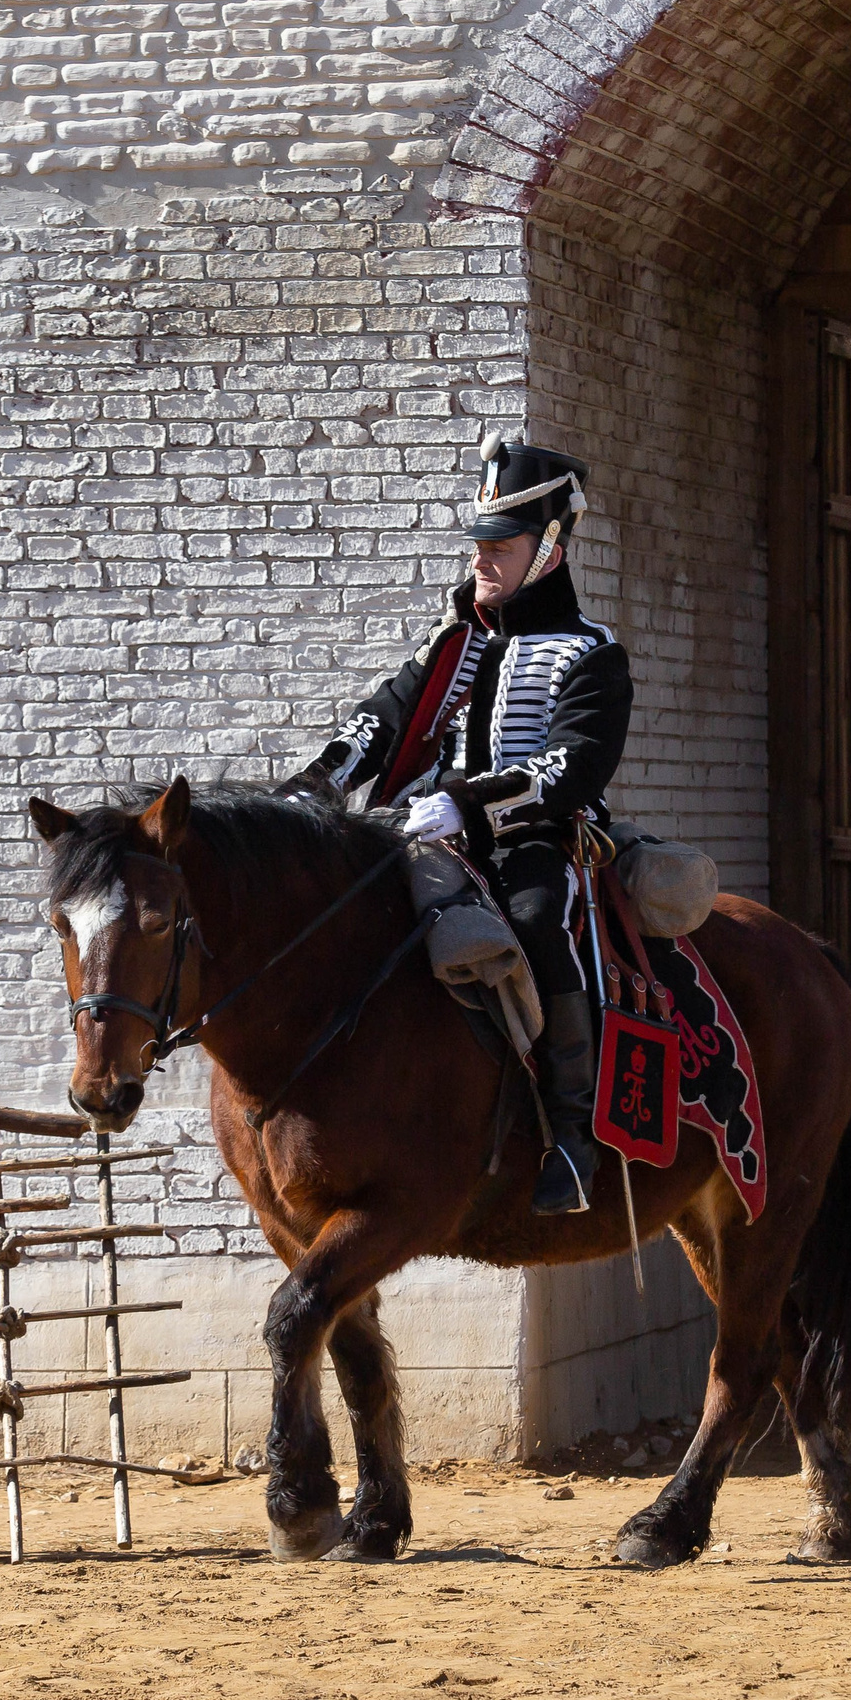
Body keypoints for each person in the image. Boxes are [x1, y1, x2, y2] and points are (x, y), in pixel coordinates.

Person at [287, 435, 631, 1215]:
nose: (482, 561)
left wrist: (470, 804)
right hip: (425, 826)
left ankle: (571, 1138)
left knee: (542, 920)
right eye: (477, 544)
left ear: (549, 547)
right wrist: (316, 785)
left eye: (499, 546)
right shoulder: (453, 642)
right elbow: (380, 720)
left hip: (535, 836)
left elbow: (571, 767)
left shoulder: (590, 655)